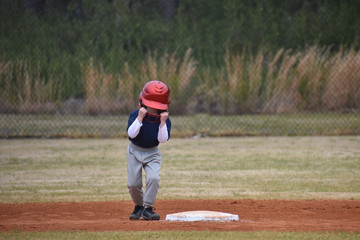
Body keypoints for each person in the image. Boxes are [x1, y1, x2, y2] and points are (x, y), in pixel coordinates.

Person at [126, 80, 171, 220]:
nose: (153, 109)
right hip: (134, 151)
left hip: (152, 153)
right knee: (133, 184)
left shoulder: (164, 119)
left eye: (156, 106)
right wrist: (140, 117)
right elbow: (131, 134)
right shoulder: (135, 114)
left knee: (153, 178)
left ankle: (147, 208)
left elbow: (162, 139)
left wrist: (162, 123)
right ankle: (138, 206)